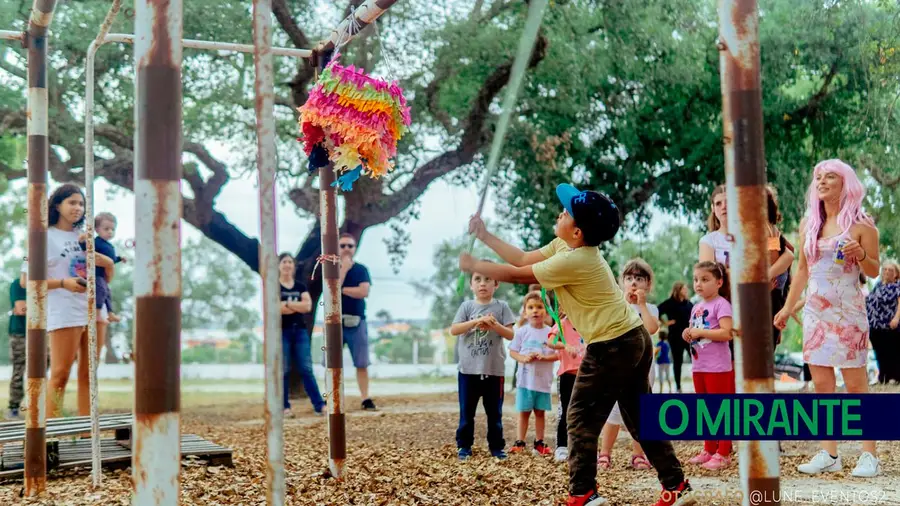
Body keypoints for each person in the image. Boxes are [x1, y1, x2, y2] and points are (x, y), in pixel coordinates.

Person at [459, 184, 695, 506]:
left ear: (578, 231)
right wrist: (485, 236)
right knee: (640, 417)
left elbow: (517, 275)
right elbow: (523, 258)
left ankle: (582, 492)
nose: (561, 213)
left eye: (567, 212)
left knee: (580, 416)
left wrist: (475, 265)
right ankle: (676, 485)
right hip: (632, 338)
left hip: (612, 344)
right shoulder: (567, 247)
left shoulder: (576, 260)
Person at [774, 159, 882, 478]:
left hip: (849, 310)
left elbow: (875, 270)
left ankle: (869, 455)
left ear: (844, 183)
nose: (821, 181)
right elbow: (803, 272)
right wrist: (786, 307)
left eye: (829, 176)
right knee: (822, 385)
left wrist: (861, 255)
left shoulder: (863, 225)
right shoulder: (809, 223)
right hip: (816, 313)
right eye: (818, 177)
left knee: (856, 385)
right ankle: (829, 452)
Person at [21, 184, 116, 418]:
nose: (78, 208)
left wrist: (109, 263)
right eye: (72, 202)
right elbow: (27, 282)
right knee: (61, 373)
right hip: (65, 311)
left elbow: (105, 276)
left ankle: (86, 433)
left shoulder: (85, 238)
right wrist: (63, 283)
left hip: (95, 310)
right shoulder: (43, 237)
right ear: (57, 205)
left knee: (89, 375)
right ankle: (50, 434)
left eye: (81, 204)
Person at [597, 258, 659, 472]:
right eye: (629, 278)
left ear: (648, 285)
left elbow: (651, 329)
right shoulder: (616, 305)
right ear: (621, 282)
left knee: (641, 412)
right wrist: (624, 301)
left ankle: (638, 454)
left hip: (644, 368)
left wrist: (641, 304)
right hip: (618, 368)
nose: (634, 282)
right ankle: (604, 453)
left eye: (639, 279)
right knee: (613, 412)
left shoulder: (650, 308)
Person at [450, 268, 516, 461]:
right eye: (477, 279)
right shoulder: (466, 307)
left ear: (496, 284)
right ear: (471, 284)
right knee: (466, 413)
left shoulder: (502, 307)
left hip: (494, 372)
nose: (482, 283)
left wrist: (494, 325)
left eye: (488, 279)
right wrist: (476, 321)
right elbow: (454, 329)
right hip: (468, 371)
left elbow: (511, 334)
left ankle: (496, 447)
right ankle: (464, 446)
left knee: (495, 414)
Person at [683, 261, 734, 471]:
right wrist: (687, 333)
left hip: (718, 368)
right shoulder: (696, 307)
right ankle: (709, 449)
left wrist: (700, 333)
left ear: (719, 282)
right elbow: (694, 330)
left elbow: (727, 333)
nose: (699, 284)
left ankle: (724, 452)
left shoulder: (722, 304)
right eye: (696, 280)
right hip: (699, 366)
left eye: (705, 279)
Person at [508, 291, 558, 455]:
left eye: (539, 307)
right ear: (524, 312)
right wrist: (523, 358)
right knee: (523, 412)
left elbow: (557, 355)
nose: (535, 311)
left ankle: (539, 442)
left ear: (546, 311)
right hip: (525, 381)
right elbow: (513, 352)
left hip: (543, 382)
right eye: (530, 307)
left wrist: (544, 357)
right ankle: (520, 442)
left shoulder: (551, 332)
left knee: (540, 413)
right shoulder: (522, 331)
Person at [279, 253, 325, 417]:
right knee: (283, 370)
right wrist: (295, 305)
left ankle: (319, 405)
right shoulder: (274, 287)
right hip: (281, 331)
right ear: (279, 265)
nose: (287, 265)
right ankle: (284, 406)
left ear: (294, 265)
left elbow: (307, 307)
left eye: (290, 262)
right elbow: (276, 308)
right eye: (284, 262)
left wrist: (287, 304)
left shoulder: (300, 286)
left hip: (299, 331)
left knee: (306, 368)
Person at [337, 233, 376, 411]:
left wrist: (341, 289)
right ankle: (334, 397)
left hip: (357, 321)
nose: (346, 249)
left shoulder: (362, 269)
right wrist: (343, 270)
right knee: (333, 364)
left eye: (350, 246)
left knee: (361, 363)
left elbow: (364, 292)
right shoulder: (330, 269)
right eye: (343, 245)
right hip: (335, 323)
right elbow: (329, 291)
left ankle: (365, 398)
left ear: (355, 248)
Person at [547, 310, 585, 463]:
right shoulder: (562, 324)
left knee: (585, 413)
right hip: (567, 375)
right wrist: (565, 345)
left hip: (586, 375)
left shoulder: (587, 322)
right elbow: (551, 342)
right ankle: (561, 447)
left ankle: (582, 447)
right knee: (566, 411)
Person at [865, 262, 900, 384]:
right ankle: (883, 377)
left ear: (896, 273)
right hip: (875, 325)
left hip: (890, 324)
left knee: (892, 351)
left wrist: (896, 318)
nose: (887, 272)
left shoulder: (897, 286)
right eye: (885, 269)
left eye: (890, 270)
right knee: (880, 352)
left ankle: (895, 377)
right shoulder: (878, 285)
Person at [658, 282, 692, 392]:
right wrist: (665, 323)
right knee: (678, 361)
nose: (686, 290)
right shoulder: (670, 303)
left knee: (695, 359)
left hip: (689, 336)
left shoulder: (688, 303)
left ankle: (698, 384)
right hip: (675, 337)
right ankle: (678, 387)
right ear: (678, 290)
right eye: (684, 289)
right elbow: (657, 311)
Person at [6, 278, 27, 419]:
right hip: (20, 333)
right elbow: (21, 309)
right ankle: (13, 407)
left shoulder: (49, 282)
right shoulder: (18, 284)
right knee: (19, 369)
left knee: (44, 368)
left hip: (44, 332)